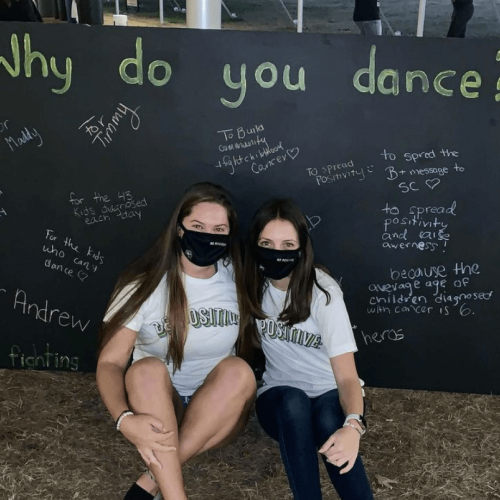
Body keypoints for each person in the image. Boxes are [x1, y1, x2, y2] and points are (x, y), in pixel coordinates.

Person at [96, 182, 256, 500]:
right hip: (155, 404)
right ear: (180, 229)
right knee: (144, 369)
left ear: (229, 236)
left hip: (216, 413)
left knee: (239, 370)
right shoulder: (141, 285)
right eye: (197, 226)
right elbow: (110, 362)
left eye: (218, 229)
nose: (208, 235)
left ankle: (151, 481)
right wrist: (124, 420)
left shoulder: (237, 275)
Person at [244, 199, 374, 500]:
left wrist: (353, 425)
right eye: (267, 243)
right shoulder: (249, 283)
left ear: (302, 248)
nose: (277, 253)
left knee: (329, 421)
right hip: (279, 399)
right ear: (255, 244)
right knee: (294, 401)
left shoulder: (322, 292)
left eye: (287, 244)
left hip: (328, 395)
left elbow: (346, 378)